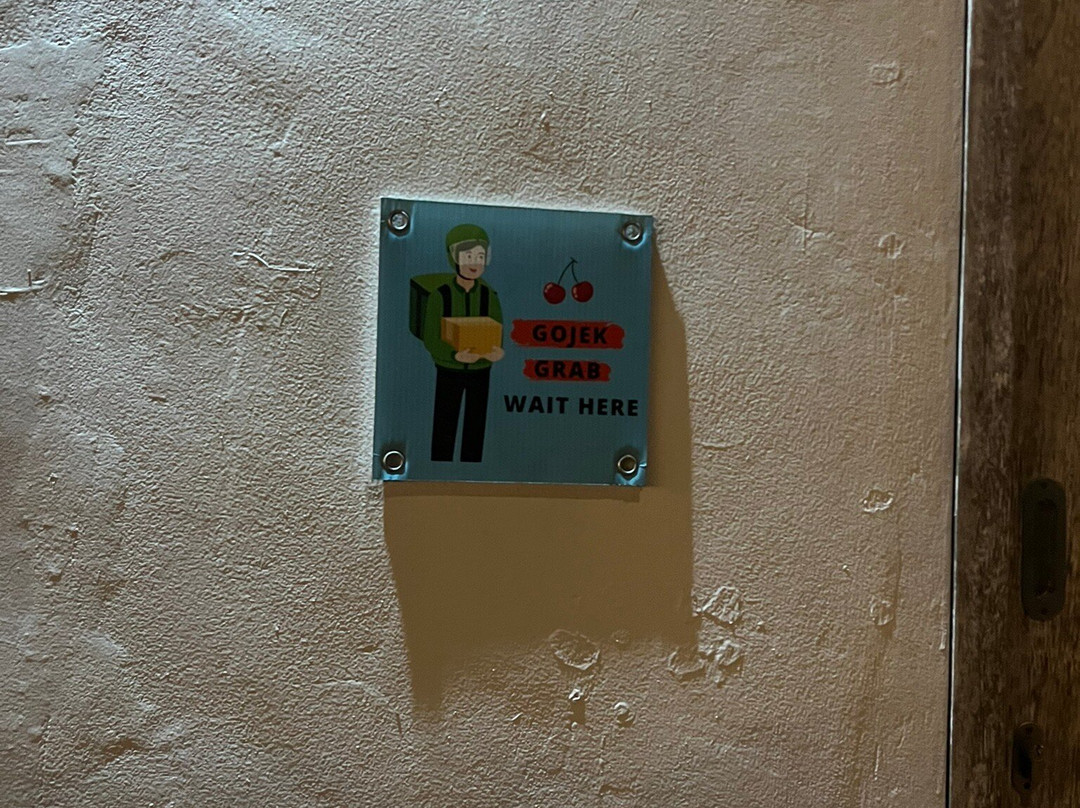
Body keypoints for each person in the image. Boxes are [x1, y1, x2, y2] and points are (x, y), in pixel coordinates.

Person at [419, 224, 505, 462]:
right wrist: (453, 356)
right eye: (468, 256)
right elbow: (431, 336)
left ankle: (472, 467)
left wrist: (496, 351)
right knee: (445, 421)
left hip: (481, 370)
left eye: (480, 256)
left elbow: (498, 328)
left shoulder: (489, 295)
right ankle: (439, 466)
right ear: (454, 257)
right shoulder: (441, 296)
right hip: (449, 370)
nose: (474, 262)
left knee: (476, 424)